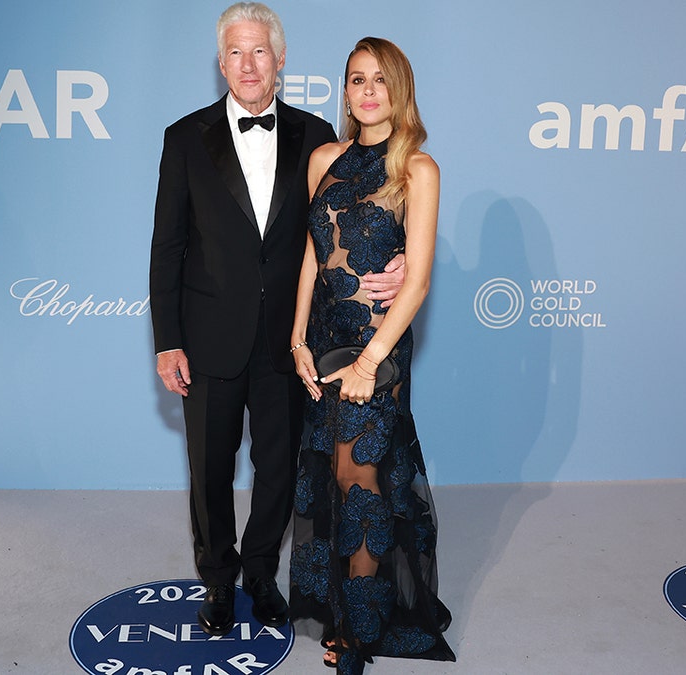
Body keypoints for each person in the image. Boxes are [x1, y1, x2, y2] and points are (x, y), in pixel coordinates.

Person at [149, 3, 405, 637]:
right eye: (235, 52)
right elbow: (167, 246)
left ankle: (261, 575)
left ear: (281, 59)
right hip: (208, 338)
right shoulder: (184, 138)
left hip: (291, 341)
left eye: (259, 51)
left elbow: (362, 212)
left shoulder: (318, 138)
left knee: (279, 468)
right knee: (208, 470)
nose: (248, 64)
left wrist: (397, 261)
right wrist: (167, 342)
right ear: (221, 62)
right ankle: (217, 579)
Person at [288, 37, 455, 673]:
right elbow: (311, 254)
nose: (366, 91)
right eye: (356, 79)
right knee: (335, 480)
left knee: (359, 480)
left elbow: (418, 281)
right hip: (326, 339)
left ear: (399, 89)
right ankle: (350, 607)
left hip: (377, 345)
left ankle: (358, 633)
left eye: (379, 80)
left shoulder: (418, 167)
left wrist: (369, 360)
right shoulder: (324, 159)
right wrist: (297, 337)